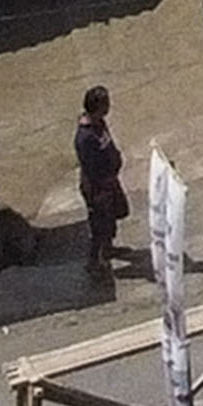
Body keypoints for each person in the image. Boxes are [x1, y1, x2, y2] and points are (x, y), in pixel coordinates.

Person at [71, 89, 124, 297]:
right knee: (99, 224)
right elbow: (91, 168)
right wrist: (102, 186)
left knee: (115, 214)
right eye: (105, 103)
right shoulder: (85, 137)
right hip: (97, 187)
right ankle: (95, 262)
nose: (109, 106)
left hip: (109, 181)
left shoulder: (99, 125)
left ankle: (108, 248)